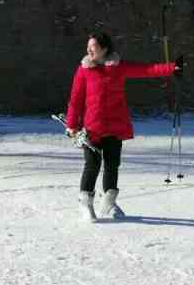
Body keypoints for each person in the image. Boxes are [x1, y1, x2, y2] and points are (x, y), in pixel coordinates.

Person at [65, 32, 182, 221]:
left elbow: (147, 70)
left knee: (112, 165)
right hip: (92, 128)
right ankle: (85, 204)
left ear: (103, 49)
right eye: (88, 47)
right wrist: (72, 125)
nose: (89, 50)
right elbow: (75, 100)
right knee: (92, 164)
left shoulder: (118, 67)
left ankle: (108, 203)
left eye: (92, 47)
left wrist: (172, 68)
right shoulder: (84, 70)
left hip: (115, 125)